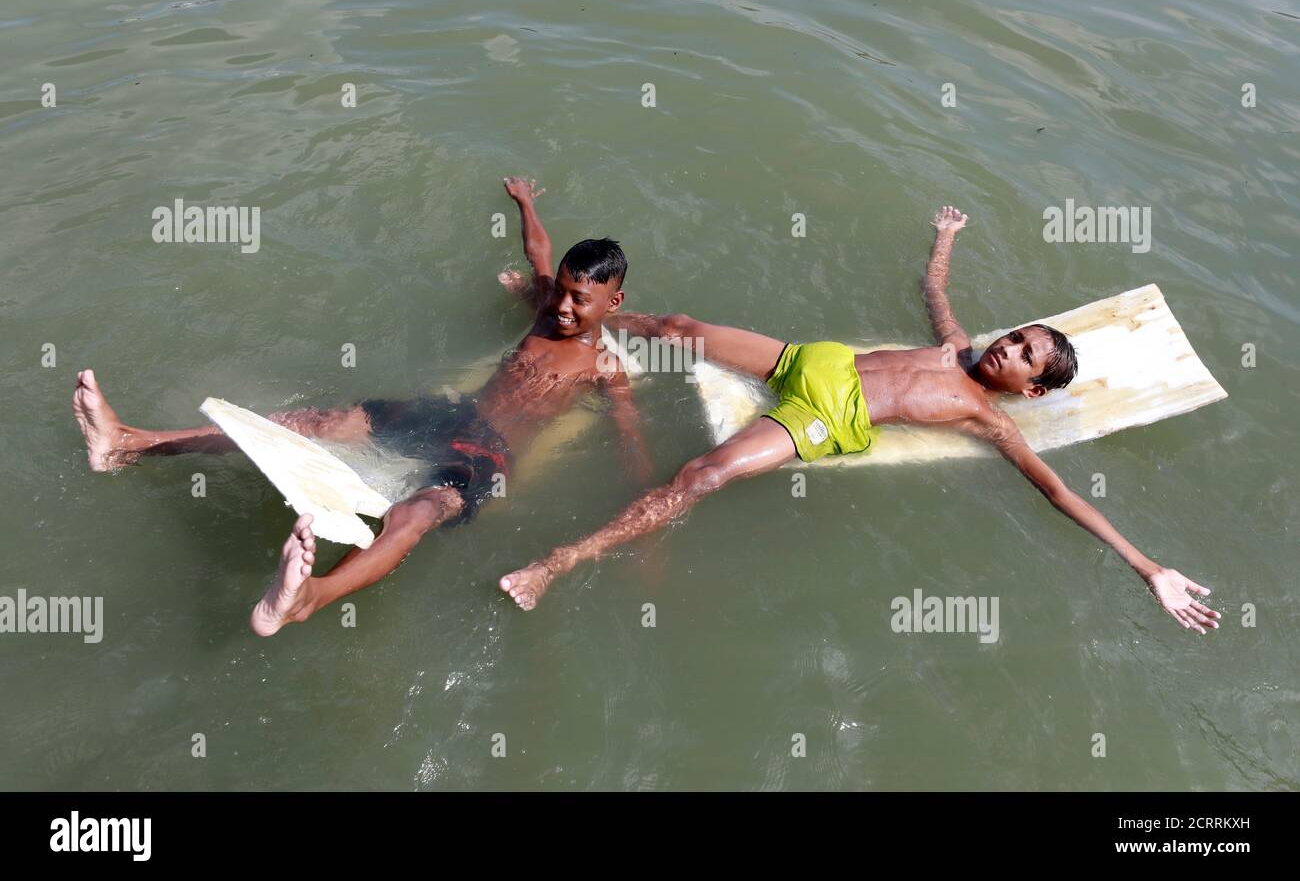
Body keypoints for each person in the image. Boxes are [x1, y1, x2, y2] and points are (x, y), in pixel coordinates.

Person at [499, 206, 1221, 635]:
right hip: (807, 362)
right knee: (682, 325)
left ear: (1031, 391)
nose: (1007, 345)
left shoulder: (988, 422)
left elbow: (1063, 494)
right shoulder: (956, 346)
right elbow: (935, 288)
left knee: (702, 474)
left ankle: (556, 563)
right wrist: (946, 238)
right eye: (1017, 335)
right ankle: (575, 316)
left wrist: (1149, 568)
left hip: (821, 413)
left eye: (1023, 354)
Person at [73, 178, 650, 635]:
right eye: (565, 292)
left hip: (484, 455)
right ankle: (127, 444)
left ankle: (307, 598)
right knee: (305, 424)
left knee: (415, 515)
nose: (566, 308)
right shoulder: (547, 305)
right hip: (448, 414)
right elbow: (538, 249)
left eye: (583, 300)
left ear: (613, 301)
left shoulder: (605, 369)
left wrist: (643, 501)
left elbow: (627, 431)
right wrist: (524, 200)